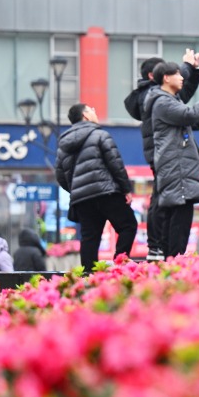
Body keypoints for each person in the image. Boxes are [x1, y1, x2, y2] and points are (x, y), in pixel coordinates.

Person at [124, 49, 199, 261]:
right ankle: (157, 246)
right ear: (155, 76)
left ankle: (161, 247)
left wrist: (193, 70)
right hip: (163, 154)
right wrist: (187, 67)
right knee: (163, 200)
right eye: (173, 72)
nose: (180, 77)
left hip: (164, 153)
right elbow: (187, 109)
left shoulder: (161, 96)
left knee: (166, 199)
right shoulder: (152, 96)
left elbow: (184, 92)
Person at [146, 62, 199, 258]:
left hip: (178, 167)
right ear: (166, 78)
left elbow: (195, 121)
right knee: (179, 220)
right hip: (176, 168)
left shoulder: (170, 100)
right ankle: (173, 262)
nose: (182, 78)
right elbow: (189, 115)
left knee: (178, 218)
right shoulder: (162, 102)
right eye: (178, 74)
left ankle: (171, 260)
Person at [54, 103, 138, 271]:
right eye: (91, 109)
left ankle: (88, 276)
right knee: (128, 225)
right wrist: (126, 189)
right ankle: (119, 265)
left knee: (90, 238)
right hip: (107, 192)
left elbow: (60, 175)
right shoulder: (100, 135)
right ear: (85, 116)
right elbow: (115, 164)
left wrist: (77, 189)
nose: (95, 111)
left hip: (83, 200)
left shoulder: (63, 146)